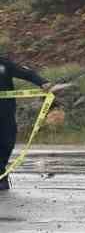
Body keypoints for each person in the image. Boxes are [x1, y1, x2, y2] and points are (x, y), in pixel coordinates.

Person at [1, 53, 50, 191]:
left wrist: (43, 82)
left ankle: (1, 172)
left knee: (7, 142)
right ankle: (1, 177)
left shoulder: (4, 63)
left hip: (6, 113)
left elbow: (26, 73)